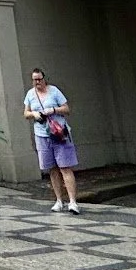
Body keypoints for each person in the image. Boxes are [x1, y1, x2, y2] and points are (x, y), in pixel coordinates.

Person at [24, 67, 80, 214]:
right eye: (34, 80)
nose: (37, 82)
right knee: (52, 169)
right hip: (42, 134)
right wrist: (35, 114)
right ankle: (59, 201)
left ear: (44, 78)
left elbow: (66, 109)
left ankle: (73, 202)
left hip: (59, 133)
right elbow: (26, 113)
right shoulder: (30, 94)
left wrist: (53, 110)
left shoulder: (54, 91)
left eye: (39, 79)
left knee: (65, 167)